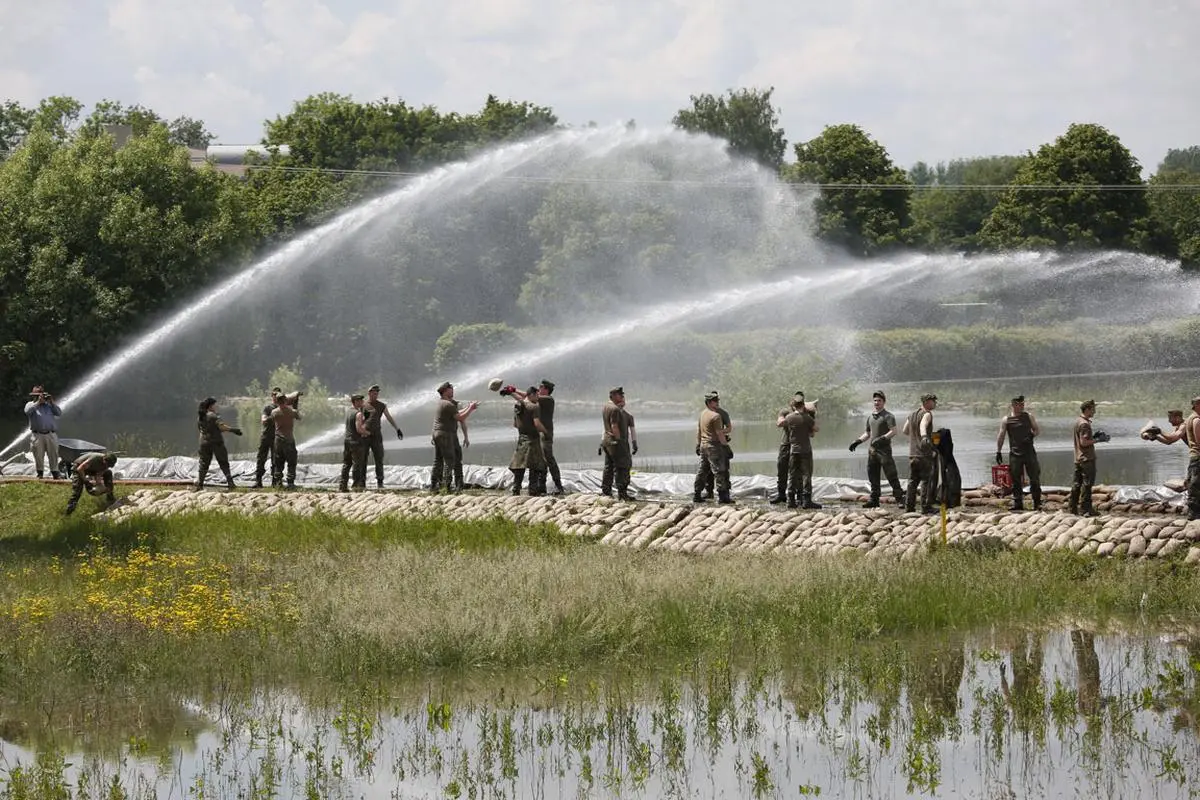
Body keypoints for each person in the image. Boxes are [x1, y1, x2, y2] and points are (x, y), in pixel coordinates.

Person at [848, 390, 904, 508]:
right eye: (875, 401)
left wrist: (883, 438)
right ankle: (874, 500)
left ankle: (900, 499)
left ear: (884, 402)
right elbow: (867, 433)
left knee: (891, 475)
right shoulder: (870, 417)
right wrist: (857, 441)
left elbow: (894, 431)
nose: (877, 403)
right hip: (872, 451)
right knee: (873, 475)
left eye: (879, 400)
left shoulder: (888, 416)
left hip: (884, 451)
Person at [995, 394, 1043, 511]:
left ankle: (1037, 503)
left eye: (1023, 404)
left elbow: (1037, 430)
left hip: (1029, 452)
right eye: (1019, 404)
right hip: (1015, 454)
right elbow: (1001, 436)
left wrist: (1031, 435)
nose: (1022, 406)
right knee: (1016, 480)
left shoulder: (1028, 416)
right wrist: (998, 451)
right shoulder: (1006, 420)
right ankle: (1018, 504)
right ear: (1013, 405)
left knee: (1034, 478)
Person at [431, 382, 478, 493]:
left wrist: (468, 408)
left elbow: (459, 415)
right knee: (450, 461)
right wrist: (470, 408)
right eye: (450, 389)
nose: (452, 391)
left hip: (443, 434)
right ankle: (446, 486)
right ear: (445, 391)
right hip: (445, 434)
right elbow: (460, 417)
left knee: (440, 460)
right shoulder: (447, 405)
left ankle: (437, 485)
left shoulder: (445, 403)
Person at [1068, 399, 1109, 517]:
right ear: (1087, 409)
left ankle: (1072, 507)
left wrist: (1094, 436)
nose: (1094, 411)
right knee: (1087, 484)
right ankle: (1086, 509)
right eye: (1093, 409)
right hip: (1086, 459)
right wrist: (1098, 440)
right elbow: (1084, 442)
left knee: (1076, 484)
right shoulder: (1084, 424)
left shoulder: (1078, 421)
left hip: (1078, 458)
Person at [780, 392, 820, 509]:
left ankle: (790, 501)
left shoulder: (789, 417)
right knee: (806, 475)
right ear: (803, 405)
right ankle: (806, 501)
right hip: (805, 451)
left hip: (793, 450)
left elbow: (782, 424)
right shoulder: (807, 418)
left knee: (792, 475)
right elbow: (815, 430)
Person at [509, 386, 548, 496]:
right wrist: (545, 432)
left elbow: (515, 424)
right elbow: (537, 424)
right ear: (532, 395)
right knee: (535, 466)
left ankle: (516, 489)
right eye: (537, 395)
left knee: (519, 466)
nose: (538, 398)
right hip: (532, 439)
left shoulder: (518, 406)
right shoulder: (534, 407)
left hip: (522, 439)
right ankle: (533, 490)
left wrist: (513, 391)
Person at [902, 393, 938, 514]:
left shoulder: (911, 415)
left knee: (912, 482)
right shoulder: (927, 414)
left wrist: (915, 436)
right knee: (925, 481)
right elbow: (923, 425)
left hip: (912, 454)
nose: (935, 403)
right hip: (923, 454)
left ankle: (909, 507)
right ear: (927, 402)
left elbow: (905, 430)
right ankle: (925, 507)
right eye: (933, 401)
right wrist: (923, 437)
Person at [196, 397, 241, 490]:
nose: (217, 406)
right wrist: (233, 430)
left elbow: (201, 430)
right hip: (216, 442)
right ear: (211, 406)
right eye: (215, 404)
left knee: (203, 463)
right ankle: (230, 483)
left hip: (203, 443)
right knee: (223, 462)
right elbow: (221, 427)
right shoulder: (213, 415)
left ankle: (200, 484)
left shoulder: (200, 417)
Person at [365, 384, 403, 489]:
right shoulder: (364, 405)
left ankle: (380, 482)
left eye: (377, 393)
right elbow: (358, 420)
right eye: (373, 393)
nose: (375, 395)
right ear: (369, 393)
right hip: (364, 435)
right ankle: (361, 481)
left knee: (379, 458)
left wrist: (397, 429)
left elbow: (389, 417)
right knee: (363, 459)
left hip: (376, 435)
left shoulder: (381, 406)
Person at [600, 386, 634, 500]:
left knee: (608, 467)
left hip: (606, 440)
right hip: (614, 441)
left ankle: (606, 491)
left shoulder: (606, 406)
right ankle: (622, 493)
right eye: (620, 395)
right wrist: (620, 442)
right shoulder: (614, 409)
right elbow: (614, 426)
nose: (622, 397)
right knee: (622, 466)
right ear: (614, 396)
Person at [23, 385, 62, 479]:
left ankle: (55, 473)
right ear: (33, 396)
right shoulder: (30, 404)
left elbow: (59, 413)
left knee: (53, 454)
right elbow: (27, 411)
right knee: (38, 455)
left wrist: (52, 402)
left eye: (41, 395)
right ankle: (40, 473)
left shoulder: (49, 406)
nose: (40, 397)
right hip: (37, 434)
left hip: (50, 434)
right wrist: (38, 403)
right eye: (37, 395)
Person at [700, 396, 733, 501]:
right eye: (715, 401)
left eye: (718, 400)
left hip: (717, 444)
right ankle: (710, 492)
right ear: (709, 402)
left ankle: (723, 495)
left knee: (721, 470)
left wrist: (720, 433)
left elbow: (729, 428)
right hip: (713, 445)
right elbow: (700, 430)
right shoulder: (709, 414)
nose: (717, 402)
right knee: (712, 471)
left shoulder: (722, 414)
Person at [339, 394, 371, 492]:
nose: (362, 402)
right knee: (357, 464)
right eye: (360, 401)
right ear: (356, 402)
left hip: (347, 441)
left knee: (346, 464)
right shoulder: (358, 414)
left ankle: (342, 485)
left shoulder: (348, 411)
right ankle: (356, 486)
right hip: (356, 442)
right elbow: (359, 429)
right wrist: (367, 433)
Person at [270, 393, 301, 489]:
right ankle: (290, 483)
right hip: (289, 439)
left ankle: (278, 483)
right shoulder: (291, 411)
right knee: (291, 461)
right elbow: (299, 417)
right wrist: (295, 402)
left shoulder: (274, 412)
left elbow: (272, 420)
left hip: (278, 440)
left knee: (278, 462)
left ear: (277, 401)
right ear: (285, 400)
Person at [253, 388, 280, 488]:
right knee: (261, 458)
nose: (275, 396)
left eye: (277, 395)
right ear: (271, 396)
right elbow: (263, 420)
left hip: (277, 437)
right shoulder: (268, 408)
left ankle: (275, 482)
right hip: (266, 436)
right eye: (273, 394)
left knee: (276, 460)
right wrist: (273, 415)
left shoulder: (282, 408)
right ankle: (258, 481)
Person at [770, 398, 793, 504]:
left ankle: (796, 496)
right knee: (782, 470)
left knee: (797, 473)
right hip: (785, 445)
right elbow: (779, 423)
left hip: (797, 445)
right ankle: (781, 495)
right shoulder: (785, 412)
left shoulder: (805, 414)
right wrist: (793, 417)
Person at [1183, 396, 1200, 521]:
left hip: (1194, 457)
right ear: (1198, 405)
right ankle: (1194, 515)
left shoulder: (1190, 418)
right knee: (1196, 486)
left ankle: (1193, 514)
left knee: (1194, 485)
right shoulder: (1196, 420)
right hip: (1198, 457)